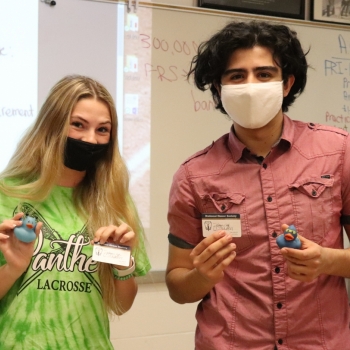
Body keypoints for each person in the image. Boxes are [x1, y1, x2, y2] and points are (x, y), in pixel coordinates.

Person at [166, 20, 350, 349]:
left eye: (264, 74)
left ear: (287, 83)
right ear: (218, 88)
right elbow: (178, 286)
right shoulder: (193, 176)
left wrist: (327, 260)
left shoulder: (338, 153)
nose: (251, 86)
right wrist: (202, 276)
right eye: (237, 76)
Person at [0, 75, 151, 349]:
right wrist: (13, 267)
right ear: (52, 126)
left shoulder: (115, 202)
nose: (90, 139)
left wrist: (122, 266)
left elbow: (121, 306)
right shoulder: (6, 195)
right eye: (78, 125)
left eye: (102, 130)